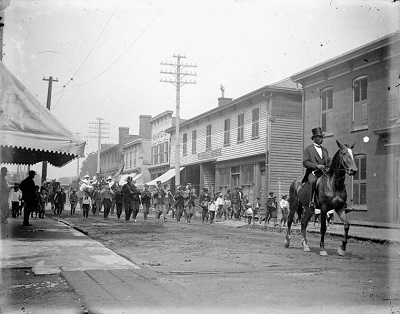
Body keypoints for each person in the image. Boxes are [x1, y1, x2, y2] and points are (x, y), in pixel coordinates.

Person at [303, 127, 331, 210]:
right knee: (312, 181)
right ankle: (312, 202)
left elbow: (328, 161)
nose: (322, 139)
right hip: (313, 173)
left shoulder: (325, 150)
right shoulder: (308, 149)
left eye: (322, 138)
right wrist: (316, 166)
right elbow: (305, 162)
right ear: (314, 138)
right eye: (320, 137)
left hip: (324, 173)